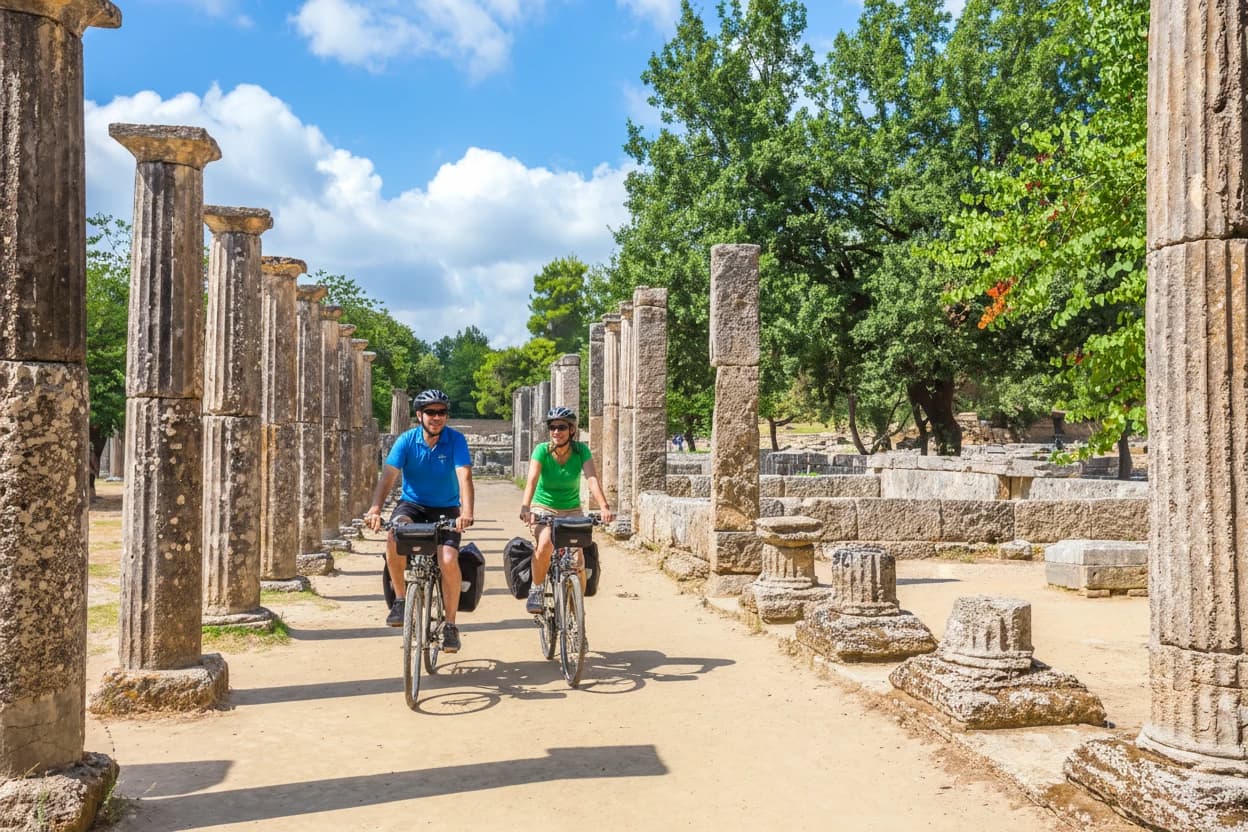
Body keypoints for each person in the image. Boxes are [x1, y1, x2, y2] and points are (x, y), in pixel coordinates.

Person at [365, 389, 474, 653]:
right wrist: (375, 509)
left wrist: (467, 512)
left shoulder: (456, 440)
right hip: (412, 505)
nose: (436, 417)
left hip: (446, 508)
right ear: (419, 415)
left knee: (448, 559)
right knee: (394, 534)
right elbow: (388, 476)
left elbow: (464, 476)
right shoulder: (406, 440)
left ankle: (450, 625)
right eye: (430, 412)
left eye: (441, 412)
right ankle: (400, 600)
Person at [518, 406, 614, 614]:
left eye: (561, 427)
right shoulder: (542, 450)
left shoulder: (581, 451)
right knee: (545, 543)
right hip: (543, 507)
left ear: (571, 430)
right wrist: (526, 507)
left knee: (578, 561)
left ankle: (576, 614)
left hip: (572, 510)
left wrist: (604, 507)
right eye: (552, 427)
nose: (556, 431)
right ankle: (537, 588)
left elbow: (591, 478)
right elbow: (532, 479)